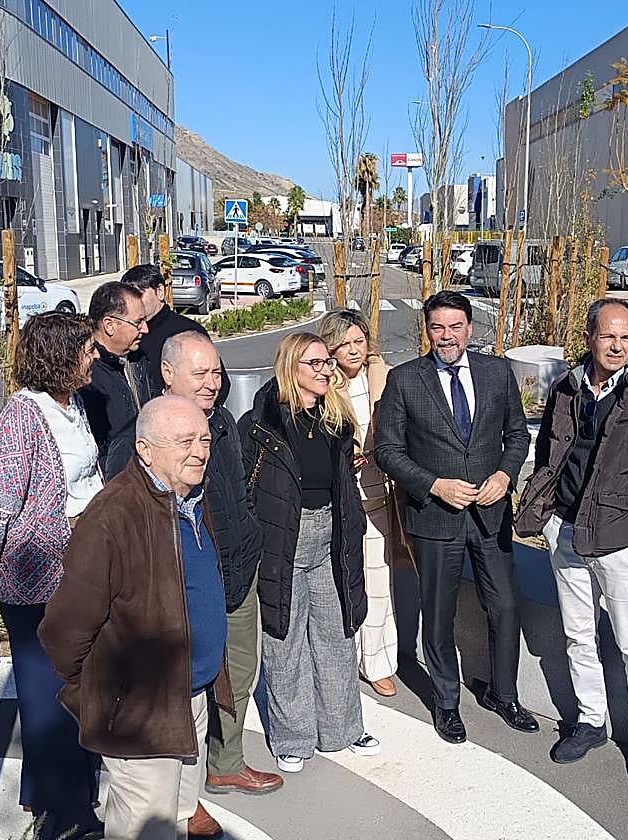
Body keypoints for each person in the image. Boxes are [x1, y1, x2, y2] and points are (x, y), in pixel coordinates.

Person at [516, 298, 628, 789]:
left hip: (622, 542)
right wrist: (549, 517)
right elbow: (549, 452)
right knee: (579, 636)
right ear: (589, 337)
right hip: (566, 532)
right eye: (608, 336)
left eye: (626, 337)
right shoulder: (567, 387)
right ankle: (591, 721)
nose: (618, 346)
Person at [39, 395, 232, 840]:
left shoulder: (189, 497)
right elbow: (65, 627)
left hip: (190, 698)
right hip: (141, 712)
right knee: (144, 828)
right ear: (145, 450)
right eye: (185, 441)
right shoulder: (113, 515)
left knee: (177, 818)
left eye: (204, 440)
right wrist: (105, 692)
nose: (200, 452)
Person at [374, 290, 536, 744]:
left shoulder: (496, 372)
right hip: (435, 517)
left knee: (505, 606)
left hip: (490, 514)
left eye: (455, 327)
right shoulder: (405, 380)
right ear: (427, 330)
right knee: (438, 615)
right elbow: (387, 450)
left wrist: (505, 474)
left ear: (470, 328)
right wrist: (433, 485)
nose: (447, 336)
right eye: (437, 327)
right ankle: (446, 703)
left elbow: (517, 435)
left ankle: (504, 695)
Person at [0, 311, 103, 840]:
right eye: (87, 349)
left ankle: (49, 791)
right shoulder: (21, 419)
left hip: (79, 566)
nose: (96, 355)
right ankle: (64, 812)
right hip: (35, 576)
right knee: (47, 691)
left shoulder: (71, 406)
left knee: (72, 682)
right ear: (60, 357)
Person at [158, 332, 282, 832]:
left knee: (241, 669)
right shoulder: (155, 435)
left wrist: (250, 536)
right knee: (189, 684)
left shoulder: (223, 421)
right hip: (194, 581)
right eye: (200, 373)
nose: (213, 383)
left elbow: (240, 490)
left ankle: (226, 763)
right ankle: (179, 793)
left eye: (216, 372)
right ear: (168, 374)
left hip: (239, 567)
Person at [239, 332, 379, 773]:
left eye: (327, 363)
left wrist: (352, 522)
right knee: (285, 638)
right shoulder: (260, 423)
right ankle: (293, 737)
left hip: (331, 533)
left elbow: (342, 480)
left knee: (337, 633)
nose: (326, 370)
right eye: (315, 363)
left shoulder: (335, 417)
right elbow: (244, 487)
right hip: (284, 537)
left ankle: (343, 728)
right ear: (291, 367)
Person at [320, 308, 408, 697]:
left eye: (360, 341)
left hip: (377, 494)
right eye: (345, 344)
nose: (354, 350)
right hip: (337, 496)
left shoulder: (382, 376)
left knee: (378, 581)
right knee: (339, 581)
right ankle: (343, 659)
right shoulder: (323, 382)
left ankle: (377, 662)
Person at [122, 263, 230, 402]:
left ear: (160, 291)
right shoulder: (128, 333)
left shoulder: (188, 332)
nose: (133, 302)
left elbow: (220, 386)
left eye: (138, 295)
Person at [80, 280, 151, 477]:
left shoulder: (139, 358)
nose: (145, 329)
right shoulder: (87, 376)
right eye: (138, 322)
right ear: (110, 325)